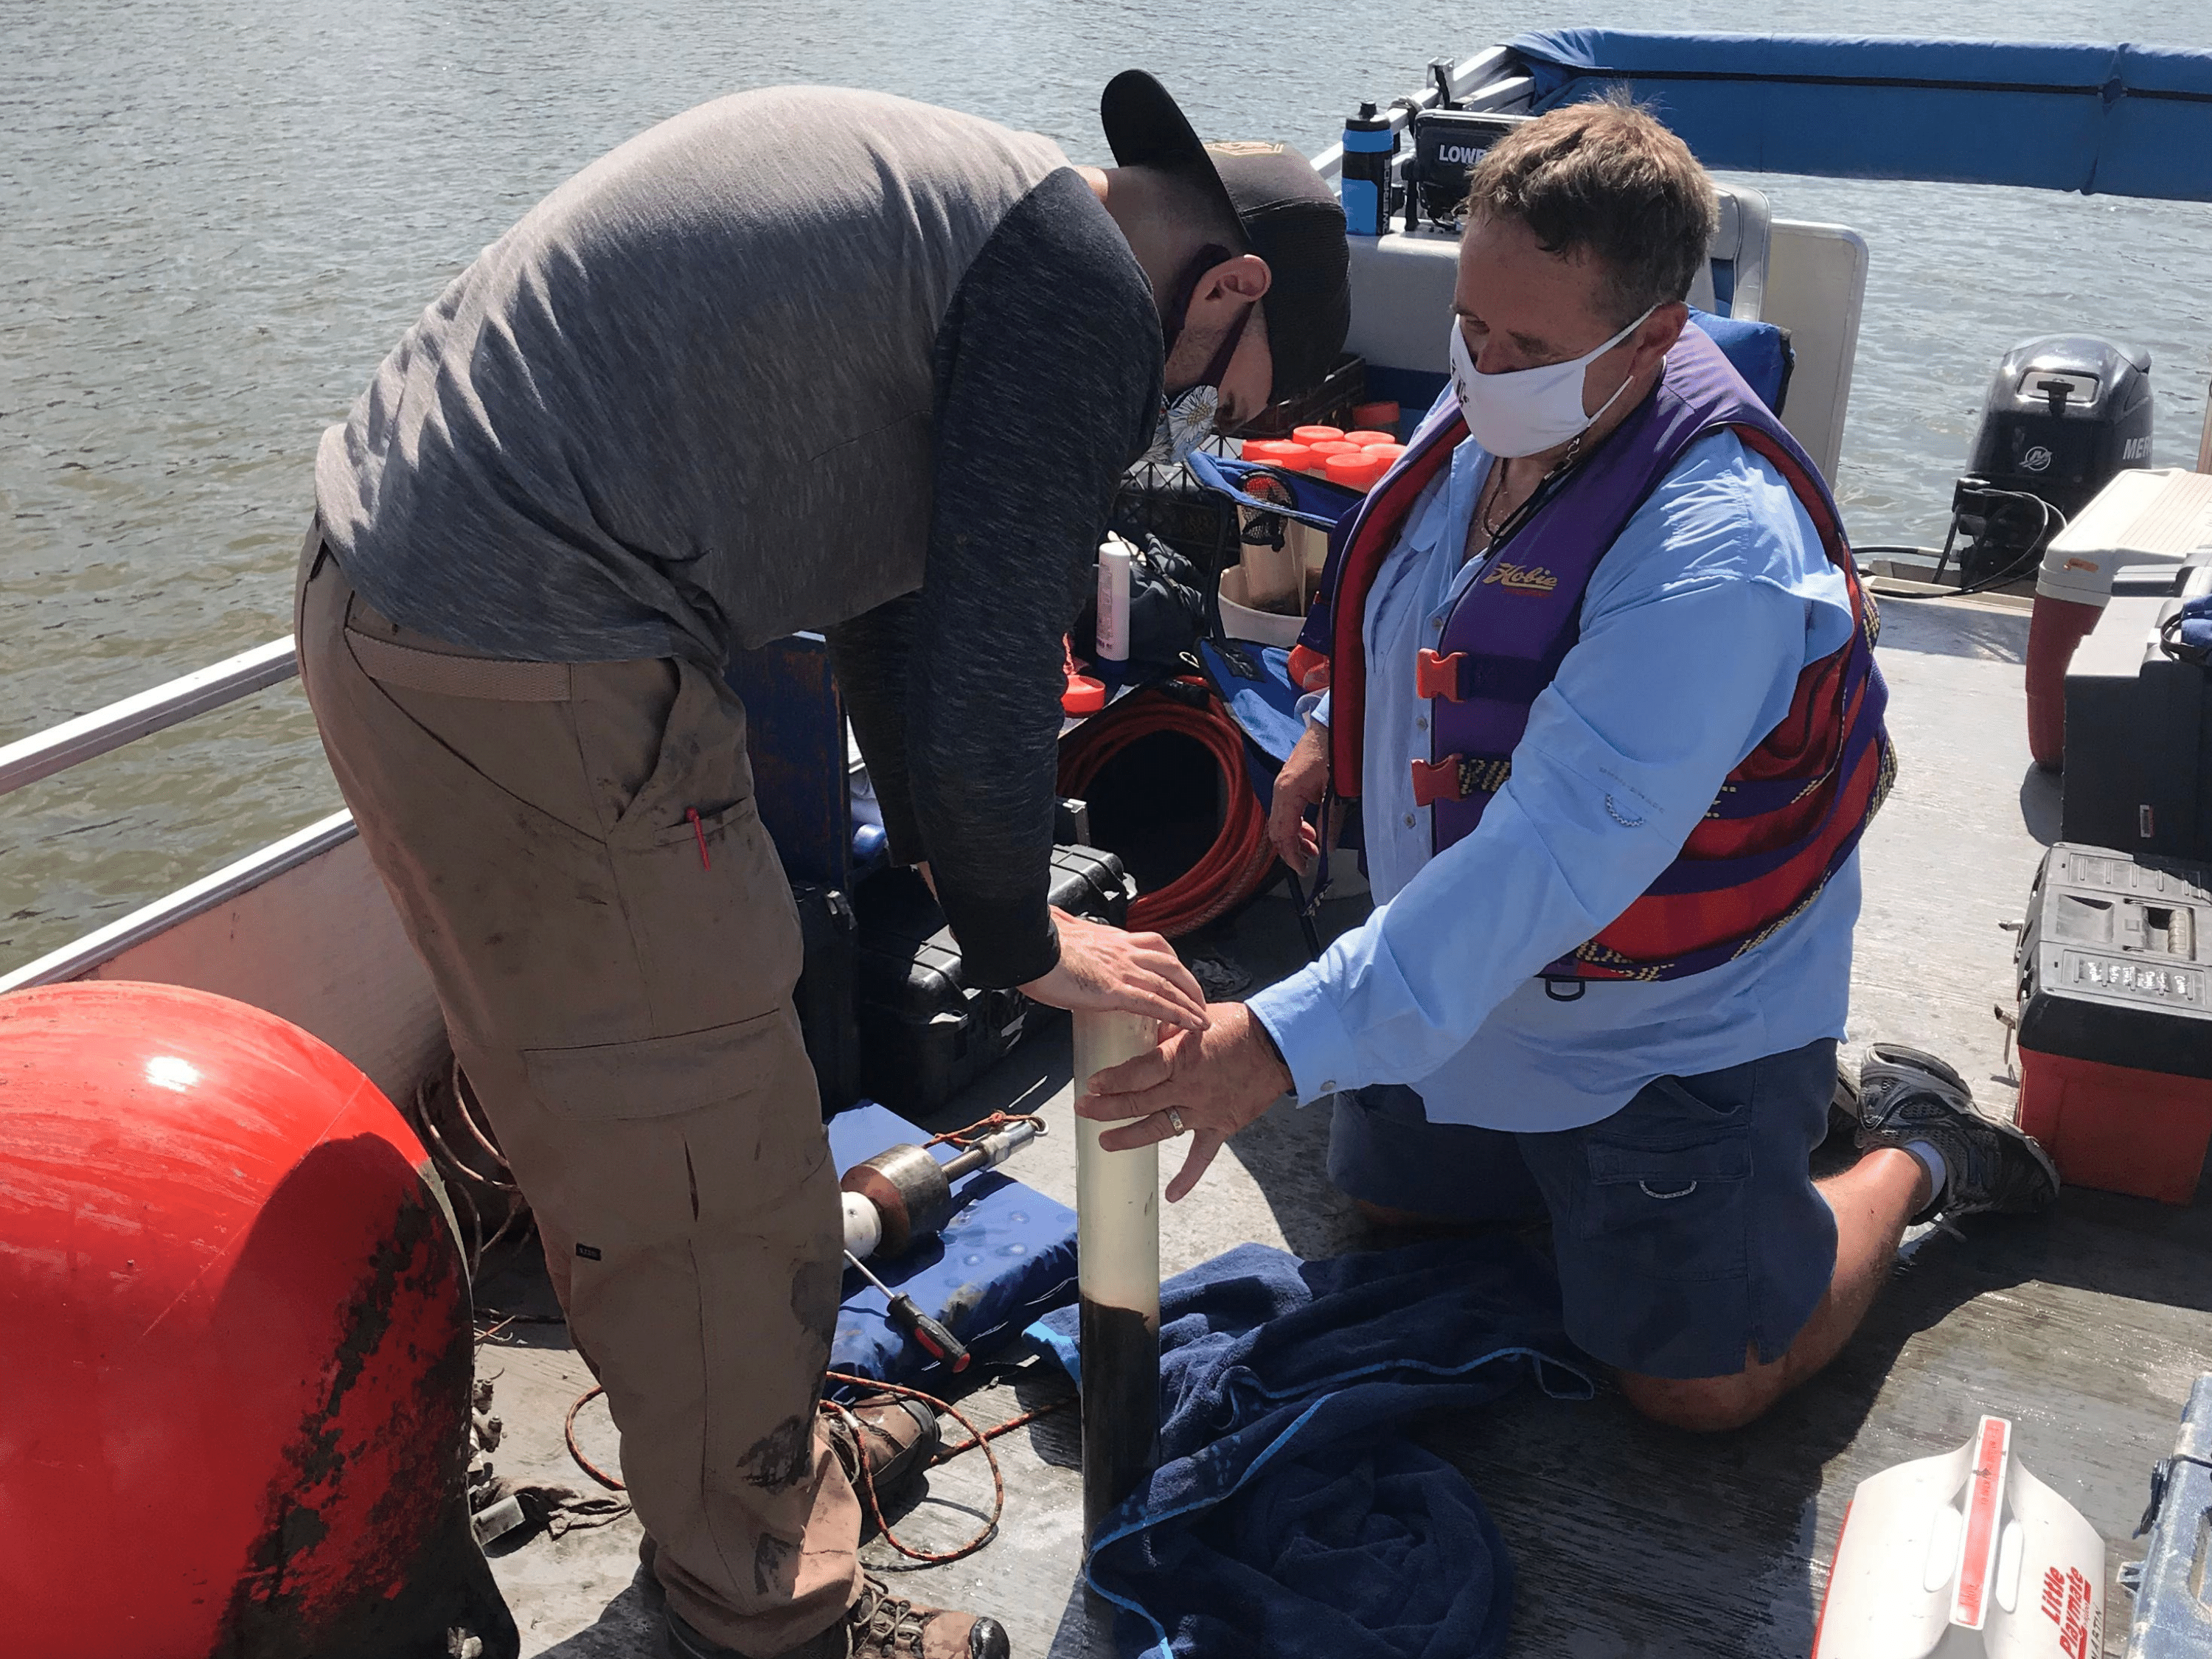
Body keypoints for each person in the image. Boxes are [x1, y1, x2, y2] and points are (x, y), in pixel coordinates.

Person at [294, 73, 1348, 1659]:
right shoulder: (1077, 297)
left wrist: (954, 867)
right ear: (1230, 288)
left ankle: (748, 1478)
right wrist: (1020, 939)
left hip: (424, 599)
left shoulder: (990, 220)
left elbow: (896, 602)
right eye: (1221, 395)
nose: (1187, 420)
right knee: (712, 1167)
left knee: (660, 1132)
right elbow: (993, 657)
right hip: (530, 647)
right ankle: (764, 1609)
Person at [1077, 97, 2058, 1436]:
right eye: (1469, 327)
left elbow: (1550, 857)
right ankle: (1730, 1158)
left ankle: (1922, 1144)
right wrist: (1325, 733)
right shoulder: (1501, 408)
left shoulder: (1720, 555)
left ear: (1657, 336)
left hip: (1666, 1019)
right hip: (1475, 984)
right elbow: (1408, 599)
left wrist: (1278, 1037)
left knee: (1699, 1389)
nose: (1478, 370)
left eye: (1525, 343)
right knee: (1398, 1212)